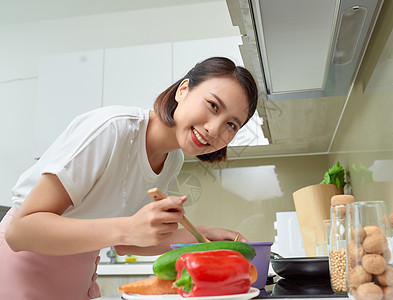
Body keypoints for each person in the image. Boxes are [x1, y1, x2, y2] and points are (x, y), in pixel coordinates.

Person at [0, 57, 258, 299]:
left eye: (231, 125)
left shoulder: (172, 159)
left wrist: (202, 234)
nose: (214, 129)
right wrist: (127, 228)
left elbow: (131, 243)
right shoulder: (113, 129)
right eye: (213, 105)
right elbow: (20, 232)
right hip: (22, 268)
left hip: (75, 276)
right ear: (183, 90)